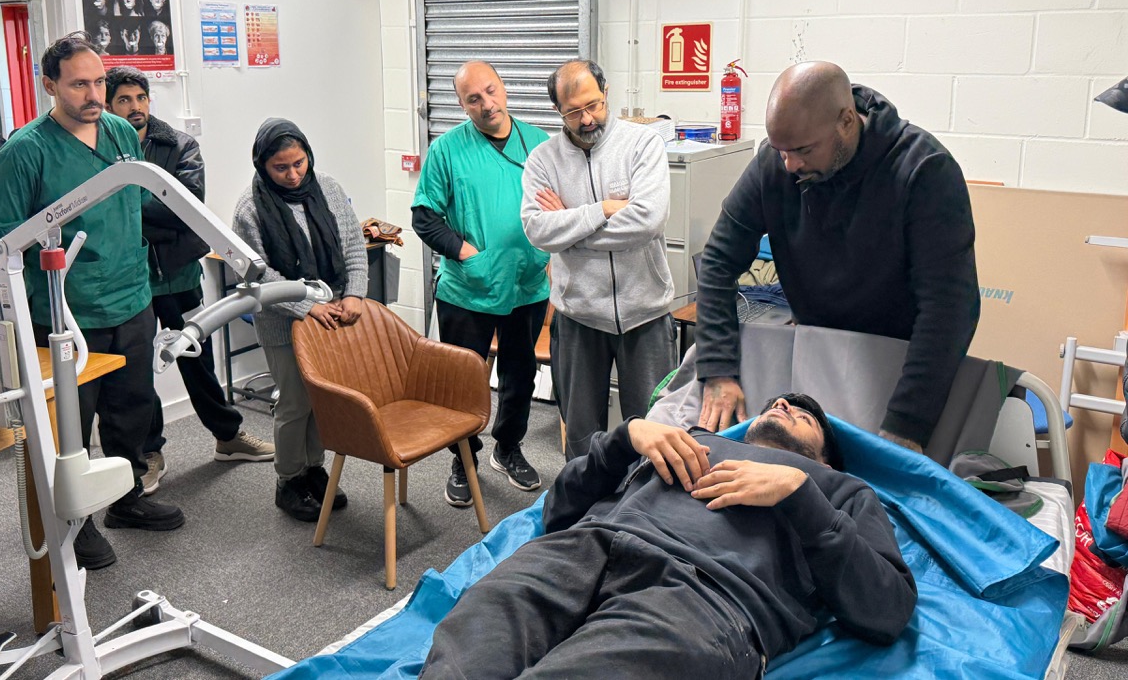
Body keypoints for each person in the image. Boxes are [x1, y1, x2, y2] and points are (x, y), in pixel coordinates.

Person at [420, 393, 916, 679]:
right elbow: (556, 513)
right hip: (583, 548)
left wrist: (800, 494)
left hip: (706, 598)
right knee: (470, 645)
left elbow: (887, 609)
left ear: (824, 457)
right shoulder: (691, 438)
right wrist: (623, 438)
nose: (785, 403)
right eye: (780, 402)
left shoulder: (839, 490)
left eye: (803, 415)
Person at [695, 61, 980, 453]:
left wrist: (908, 424)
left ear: (847, 121)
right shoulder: (776, 164)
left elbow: (950, 307)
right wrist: (717, 368)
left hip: (895, 361)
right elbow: (718, 260)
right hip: (817, 352)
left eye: (803, 150)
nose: (790, 165)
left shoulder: (923, 171)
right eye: (780, 150)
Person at [0, 31, 184, 573]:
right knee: (71, 424)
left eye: (98, 81)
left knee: (132, 410)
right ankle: (76, 521)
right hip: (66, 316)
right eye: (78, 85)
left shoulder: (120, 132)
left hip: (132, 299)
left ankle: (125, 500)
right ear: (49, 85)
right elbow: (3, 244)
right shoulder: (24, 154)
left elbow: (134, 208)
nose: (94, 94)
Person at [105, 67, 274, 496]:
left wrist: (130, 204)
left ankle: (228, 436)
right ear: (109, 106)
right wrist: (146, 207)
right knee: (138, 369)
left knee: (196, 356)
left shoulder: (179, 145)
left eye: (140, 97)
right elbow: (109, 215)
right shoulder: (101, 149)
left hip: (178, 274)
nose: (135, 107)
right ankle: (149, 453)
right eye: (124, 100)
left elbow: (183, 207)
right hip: (131, 279)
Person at [411, 61, 550, 506]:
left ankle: (508, 448)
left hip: (527, 284)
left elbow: (562, 207)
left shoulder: (540, 143)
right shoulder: (446, 150)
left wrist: (552, 255)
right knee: (464, 382)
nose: (487, 104)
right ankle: (462, 457)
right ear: (462, 104)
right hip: (467, 287)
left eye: (491, 91)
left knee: (520, 374)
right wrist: (467, 253)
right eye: (474, 98)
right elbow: (424, 216)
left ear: (503, 87)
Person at [521, 59, 675, 459]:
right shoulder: (543, 161)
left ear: (606, 94)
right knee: (582, 442)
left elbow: (648, 220)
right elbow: (537, 230)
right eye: (574, 111)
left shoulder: (643, 145)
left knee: (655, 435)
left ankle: (644, 518)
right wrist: (602, 209)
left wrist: (570, 232)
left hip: (646, 315)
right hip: (578, 318)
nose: (587, 119)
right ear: (558, 110)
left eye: (594, 105)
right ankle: (582, 518)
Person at [232, 119, 369, 521]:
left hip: (332, 319)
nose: (293, 175)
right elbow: (258, 276)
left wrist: (356, 292)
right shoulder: (249, 209)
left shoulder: (328, 187)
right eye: (281, 167)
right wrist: (307, 304)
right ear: (262, 165)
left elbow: (354, 246)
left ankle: (313, 469)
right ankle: (288, 480)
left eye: (299, 163)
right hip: (284, 322)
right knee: (294, 402)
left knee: (321, 399)